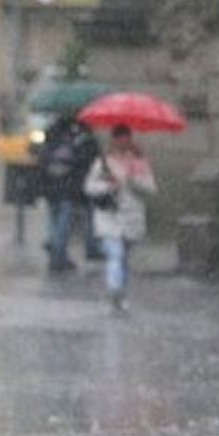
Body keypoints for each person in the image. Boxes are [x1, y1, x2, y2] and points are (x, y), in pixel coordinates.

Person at [83, 124, 157, 313]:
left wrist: (133, 181)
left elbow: (151, 189)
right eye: (119, 138)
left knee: (122, 258)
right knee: (115, 255)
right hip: (110, 216)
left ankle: (121, 293)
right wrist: (109, 186)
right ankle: (114, 291)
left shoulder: (140, 162)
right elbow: (89, 187)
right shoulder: (103, 162)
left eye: (126, 138)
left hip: (132, 217)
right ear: (114, 140)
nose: (123, 142)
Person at [39, 116, 100, 272]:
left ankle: (57, 251)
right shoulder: (81, 140)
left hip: (50, 187)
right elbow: (86, 164)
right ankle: (58, 257)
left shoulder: (51, 137)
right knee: (63, 224)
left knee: (54, 221)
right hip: (68, 189)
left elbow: (41, 161)